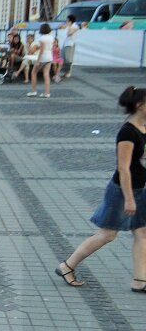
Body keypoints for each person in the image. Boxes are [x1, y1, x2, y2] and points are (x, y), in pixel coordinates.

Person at [56, 86, 146, 292]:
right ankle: (67, 266)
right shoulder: (128, 132)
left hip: (140, 189)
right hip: (123, 191)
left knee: (142, 232)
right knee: (107, 234)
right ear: (140, 105)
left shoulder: (143, 127)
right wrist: (129, 198)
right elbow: (123, 168)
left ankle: (140, 281)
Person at [28, 23, 54, 98]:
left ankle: (34, 91)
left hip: (43, 57)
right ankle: (47, 93)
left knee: (33, 72)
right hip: (49, 56)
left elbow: (42, 50)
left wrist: (38, 61)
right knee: (46, 74)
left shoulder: (42, 38)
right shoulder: (51, 37)